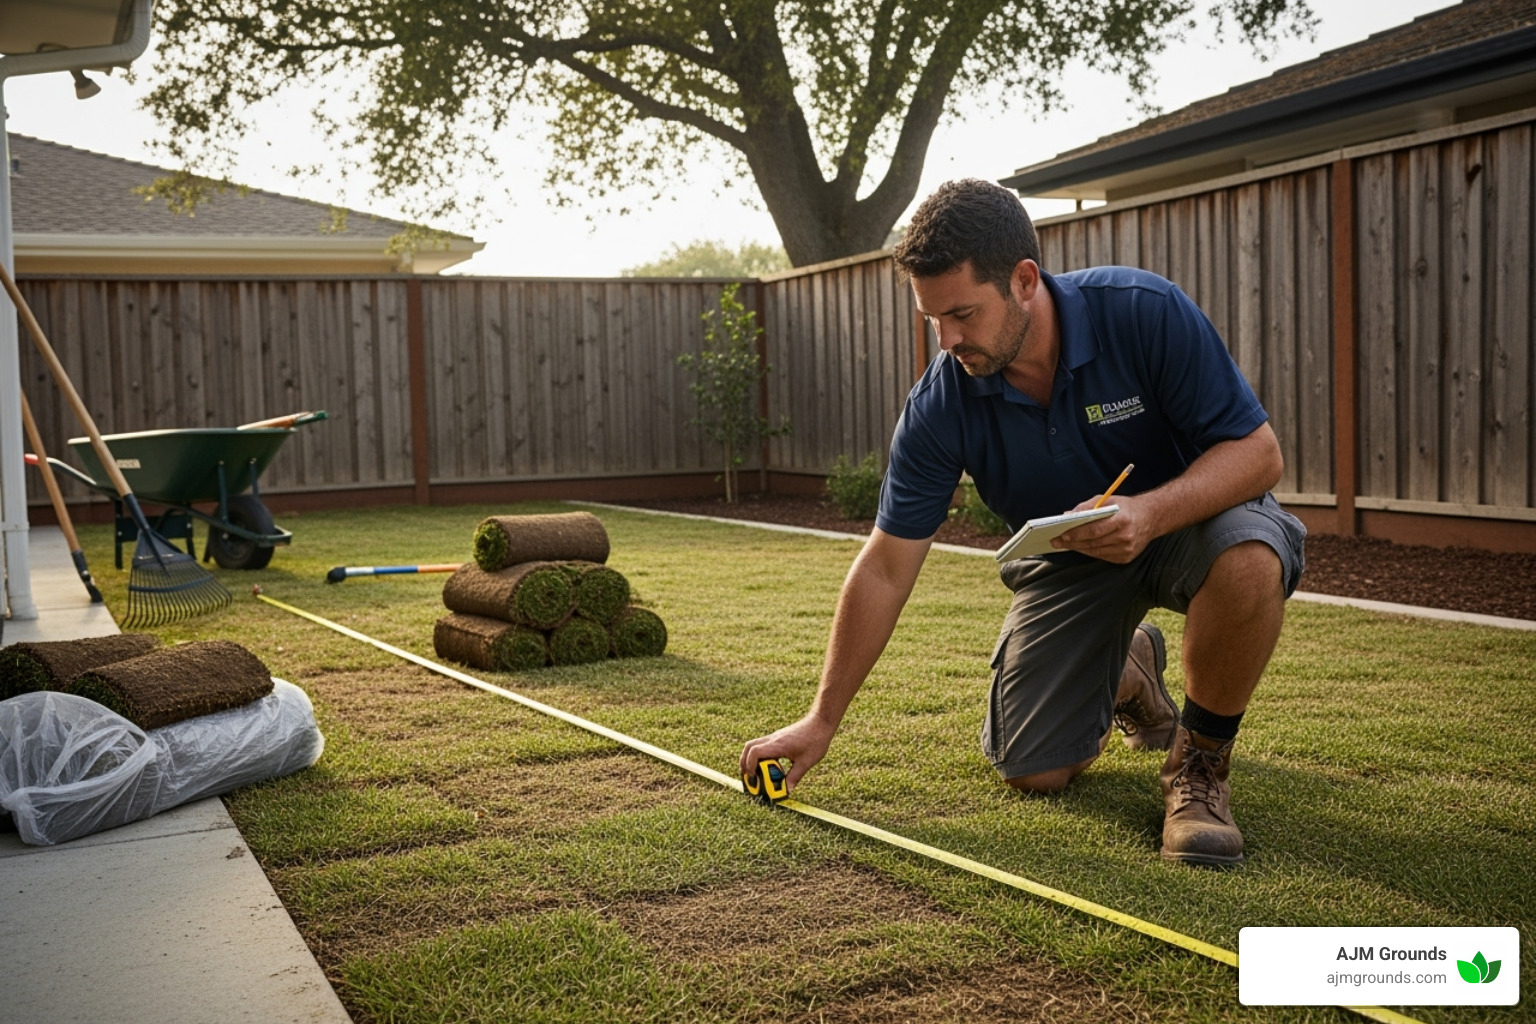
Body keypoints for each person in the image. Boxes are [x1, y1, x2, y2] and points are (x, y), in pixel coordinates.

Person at [739, 178, 1306, 866]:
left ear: (1025, 280)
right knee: (1031, 770)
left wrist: (1150, 512)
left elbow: (1260, 453)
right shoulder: (941, 403)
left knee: (1250, 556)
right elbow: (887, 568)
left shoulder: (1143, 311)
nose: (947, 340)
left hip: (1190, 524)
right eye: (932, 320)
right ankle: (1129, 674)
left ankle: (1200, 768)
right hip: (1068, 560)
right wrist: (821, 720)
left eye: (963, 314)